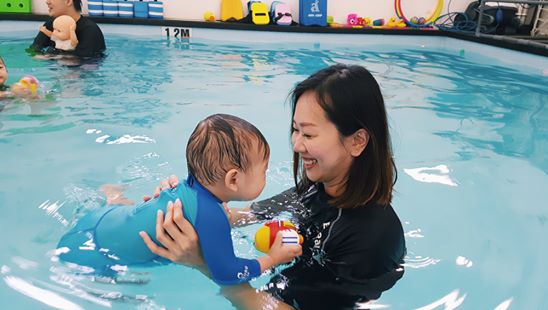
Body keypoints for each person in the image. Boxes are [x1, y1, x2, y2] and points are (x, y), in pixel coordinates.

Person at [140, 64, 407, 309]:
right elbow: (246, 215)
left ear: (357, 141)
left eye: (309, 134)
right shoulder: (317, 188)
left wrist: (203, 263)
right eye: (295, 130)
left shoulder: (372, 240)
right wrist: (187, 207)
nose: (297, 145)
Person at [57, 114, 302, 284]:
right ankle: (115, 197)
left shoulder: (186, 190)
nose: (265, 176)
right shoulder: (212, 215)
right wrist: (273, 259)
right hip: (91, 257)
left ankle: (114, 196)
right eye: (264, 170)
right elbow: (227, 273)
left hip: (100, 219)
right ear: (233, 180)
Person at [29, 0, 105, 58]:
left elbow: (86, 61)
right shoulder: (50, 25)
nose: (47, 1)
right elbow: (33, 50)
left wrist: (50, 56)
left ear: (68, 1)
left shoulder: (90, 30)